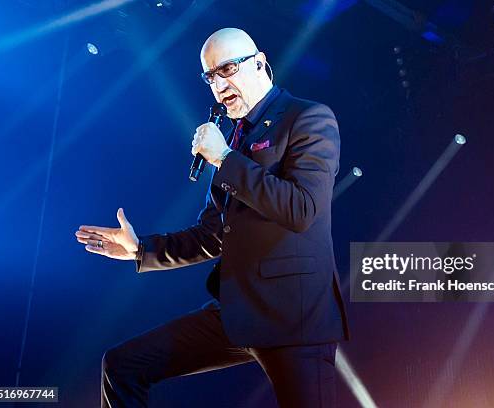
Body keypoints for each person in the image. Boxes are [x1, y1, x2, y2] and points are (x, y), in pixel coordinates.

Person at [75, 27, 349, 408]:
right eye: (210, 76)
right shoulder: (234, 138)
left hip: (294, 318)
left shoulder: (308, 118)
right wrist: (141, 250)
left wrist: (223, 158)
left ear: (259, 64)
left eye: (228, 69)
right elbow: (214, 233)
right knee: (122, 365)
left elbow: (301, 209)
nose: (219, 84)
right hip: (237, 311)